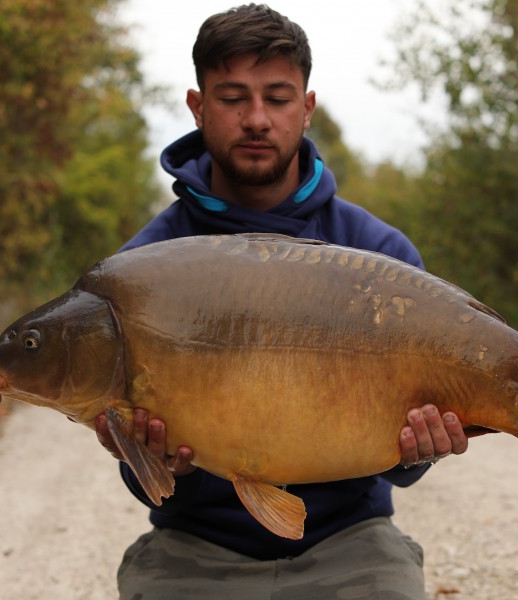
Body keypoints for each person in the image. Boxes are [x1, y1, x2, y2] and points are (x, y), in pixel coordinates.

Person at [95, 5, 469, 599]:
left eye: (277, 97)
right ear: (198, 106)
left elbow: (405, 469)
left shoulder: (379, 253)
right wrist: (163, 465)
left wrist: (417, 450)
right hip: (195, 544)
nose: (256, 119)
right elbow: (143, 481)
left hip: (349, 539)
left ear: (307, 107)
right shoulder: (144, 270)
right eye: (232, 97)